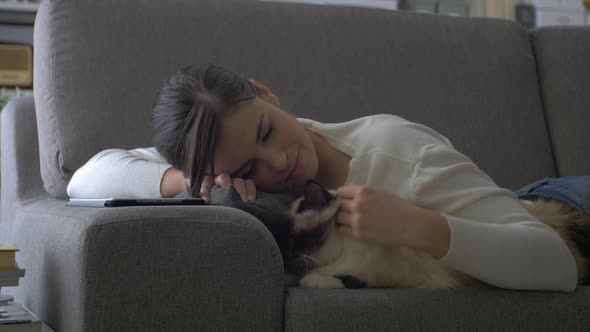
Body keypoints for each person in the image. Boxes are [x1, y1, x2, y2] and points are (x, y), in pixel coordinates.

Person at [67, 63, 577, 292]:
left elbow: (556, 265)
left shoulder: (399, 154)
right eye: (248, 168)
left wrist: (421, 227)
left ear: (266, 93)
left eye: (267, 131)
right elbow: (84, 178)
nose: (277, 163)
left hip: (564, 206)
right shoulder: (232, 173)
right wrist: (186, 181)